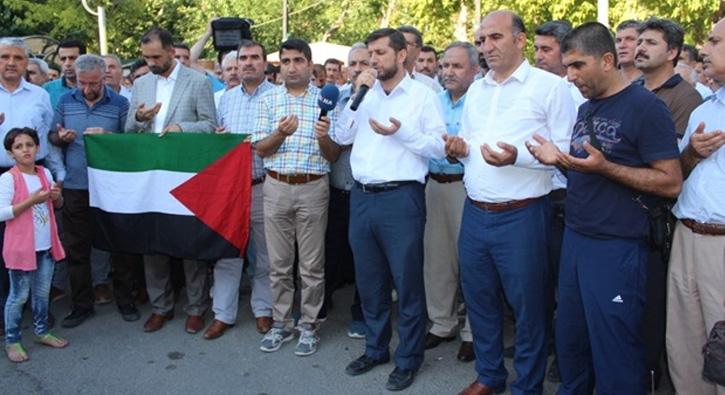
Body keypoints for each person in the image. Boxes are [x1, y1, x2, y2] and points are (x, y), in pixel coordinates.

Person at [526, 21, 683, 394]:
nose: (569, 76)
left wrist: (606, 167)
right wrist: (559, 160)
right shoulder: (587, 108)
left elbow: (671, 181)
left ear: (608, 60)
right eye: (567, 67)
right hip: (577, 239)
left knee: (616, 352)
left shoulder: (646, 108)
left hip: (618, 247)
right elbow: (588, 169)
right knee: (572, 343)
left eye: (578, 65)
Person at [444, 11, 576, 395]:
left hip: (523, 215)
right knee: (480, 301)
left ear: (520, 40)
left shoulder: (551, 88)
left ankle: (528, 385)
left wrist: (515, 156)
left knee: (528, 307)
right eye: (482, 40)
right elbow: (470, 146)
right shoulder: (477, 91)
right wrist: (458, 149)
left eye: (495, 38)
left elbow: (565, 152)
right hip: (476, 211)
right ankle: (489, 376)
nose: (486, 47)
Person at [332, 28, 447, 392]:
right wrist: (354, 95)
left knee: (407, 282)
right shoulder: (363, 94)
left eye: (380, 53)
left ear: (401, 56)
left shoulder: (422, 95)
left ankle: (409, 358)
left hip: (402, 198)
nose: (374, 60)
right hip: (362, 197)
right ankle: (376, 348)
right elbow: (340, 137)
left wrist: (401, 133)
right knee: (370, 281)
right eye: (370, 54)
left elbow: (439, 148)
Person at [125, 27, 216, 334]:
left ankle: (195, 307)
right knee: (154, 243)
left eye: (156, 57)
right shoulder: (141, 84)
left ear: (171, 51)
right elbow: (128, 129)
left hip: (185, 173)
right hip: (151, 176)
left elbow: (209, 126)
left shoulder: (198, 81)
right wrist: (140, 119)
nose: (151, 62)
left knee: (189, 243)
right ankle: (160, 306)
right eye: (146, 57)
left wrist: (182, 128)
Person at [253, 38, 336, 357]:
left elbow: (333, 155)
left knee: (313, 264)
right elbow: (260, 149)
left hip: (314, 187)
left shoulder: (327, 100)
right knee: (279, 263)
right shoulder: (269, 100)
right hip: (275, 186)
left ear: (310, 64)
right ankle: (281, 323)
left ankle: (310, 325)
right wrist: (280, 134)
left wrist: (325, 137)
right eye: (285, 61)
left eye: (297, 60)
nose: (291, 67)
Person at [48, 54, 137, 327]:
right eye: (81, 83)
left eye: (93, 84)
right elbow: (51, 136)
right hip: (76, 185)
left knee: (120, 247)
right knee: (77, 249)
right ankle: (81, 305)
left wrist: (110, 139)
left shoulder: (121, 103)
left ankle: (125, 300)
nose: (87, 89)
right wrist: (60, 138)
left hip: (111, 186)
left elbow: (132, 144)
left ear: (104, 78)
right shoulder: (65, 101)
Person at [667, 17, 725, 395]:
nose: (704, 49)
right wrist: (691, 153)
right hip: (686, 235)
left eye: (715, 41)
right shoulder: (706, 109)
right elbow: (679, 173)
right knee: (684, 344)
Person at [206, 40, 274, 340]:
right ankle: (223, 314)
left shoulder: (278, 96)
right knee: (227, 254)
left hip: (264, 186)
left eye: (254, 58)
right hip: (230, 191)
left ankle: (263, 310)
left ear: (264, 62)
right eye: (242, 58)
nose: (247, 63)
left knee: (266, 255)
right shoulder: (224, 100)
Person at [0, 37, 65, 336]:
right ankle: (8, 315)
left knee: (37, 241)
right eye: (4, 57)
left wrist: (56, 172)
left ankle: (38, 313)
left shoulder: (40, 95)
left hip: (34, 174)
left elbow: (48, 139)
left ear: (27, 63)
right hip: (2, 176)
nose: (10, 62)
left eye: (17, 57)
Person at [422, 41, 478, 363]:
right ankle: (442, 323)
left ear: (474, 69)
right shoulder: (433, 102)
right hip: (434, 184)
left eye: (456, 66)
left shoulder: (482, 100)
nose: (447, 72)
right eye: (445, 66)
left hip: (466, 187)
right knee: (437, 260)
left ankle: (473, 331)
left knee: (470, 263)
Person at [1, 127, 67, 362]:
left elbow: (56, 206)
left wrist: (56, 196)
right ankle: (12, 340)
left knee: (42, 294)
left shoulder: (44, 173)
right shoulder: (8, 178)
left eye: (29, 145)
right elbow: (2, 213)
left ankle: (41, 331)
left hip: (45, 246)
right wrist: (32, 200)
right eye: (18, 147)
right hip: (21, 249)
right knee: (18, 296)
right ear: (11, 154)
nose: (25, 150)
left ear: (37, 148)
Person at [321, 42, 369, 338]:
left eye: (365, 62)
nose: (359, 68)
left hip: (365, 192)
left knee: (365, 258)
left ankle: (362, 313)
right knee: (331, 251)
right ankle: (320, 305)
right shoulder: (335, 99)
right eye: (354, 63)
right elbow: (334, 144)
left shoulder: (380, 99)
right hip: (337, 189)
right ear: (346, 67)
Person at [635, 18, 702, 137]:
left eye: (651, 43)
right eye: (639, 42)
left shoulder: (686, 97)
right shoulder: (631, 89)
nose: (641, 48)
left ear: (671, 53)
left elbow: (675, 150)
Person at [397, 25, 443, 92]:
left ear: (418, 51)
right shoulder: (378, 80)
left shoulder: (429, 86)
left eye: (406, 43)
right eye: (396, 43)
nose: (399, 47)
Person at [43, 40, 86, 108]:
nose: (67, 63)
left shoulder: (98, 88)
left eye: (72, 58)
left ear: (84, 59)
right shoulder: (47, 90)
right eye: (63, 59)